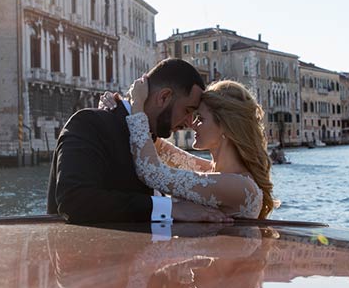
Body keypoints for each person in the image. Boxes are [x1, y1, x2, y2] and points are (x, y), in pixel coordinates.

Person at [46, 58, 231, 223]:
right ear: (164, 97)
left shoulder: (153, 141)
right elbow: (74, 200)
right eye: (188, 110)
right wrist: (171, 208)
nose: (190, 123)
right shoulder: (88, 124)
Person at [106, 77, 278, 219]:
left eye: (200, 119)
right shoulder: (211, 171)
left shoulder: (240, 186)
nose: (192, 125)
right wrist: (120, 109)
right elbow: (159, 147)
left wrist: (137, 105)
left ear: (226, 127)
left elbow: (152, 173)